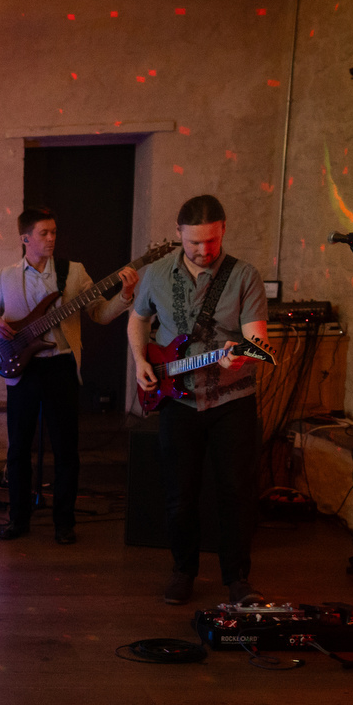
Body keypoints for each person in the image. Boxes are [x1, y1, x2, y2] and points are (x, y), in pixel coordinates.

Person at [128, 194, 269, 606]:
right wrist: (140, 361)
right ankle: (183, 570)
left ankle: (238, 579)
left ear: (223, 230)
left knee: (237, 491)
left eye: (210, 241)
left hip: (232, 399)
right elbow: (139, 318)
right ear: (178, 235)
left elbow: (257, 338)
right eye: (193, 243)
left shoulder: (244, 276)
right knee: (179, 492)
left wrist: (241, 353)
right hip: (178, 401)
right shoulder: (154, 273)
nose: (203, 251)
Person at [0, 207, 138, 545]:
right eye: (44, 233)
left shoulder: (74, 272)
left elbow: (99, 313)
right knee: (18, 449)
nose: (52, 238)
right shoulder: (7, 275)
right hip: (22, 368)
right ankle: (17, 518)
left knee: (67, 449)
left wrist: (125, 296)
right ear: (25, 238)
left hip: (60, 365)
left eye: (54, 232)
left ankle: (64, 523)